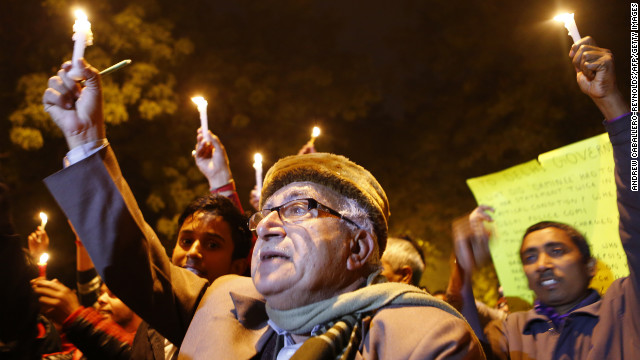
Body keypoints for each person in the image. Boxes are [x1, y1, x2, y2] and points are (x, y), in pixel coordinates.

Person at [41, 59, 483, 359]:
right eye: (266, 211)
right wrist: (84, 140)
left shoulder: (425, 339)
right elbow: (132, 262)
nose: (268, 224)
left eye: (296, 209)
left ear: (359, 244)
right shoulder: (222, 303)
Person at [449, 37, 637, 359]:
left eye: (556, 250)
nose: (543, 265)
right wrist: (463, 270)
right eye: (529, 257)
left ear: (590, 266)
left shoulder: (625, 307)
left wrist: (613, 104)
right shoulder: (511, 332)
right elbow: (457, 346)